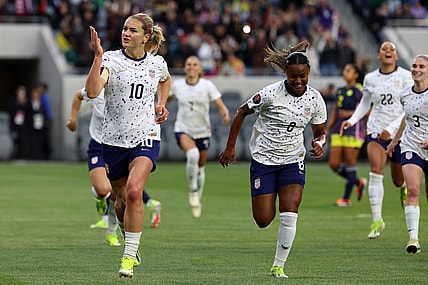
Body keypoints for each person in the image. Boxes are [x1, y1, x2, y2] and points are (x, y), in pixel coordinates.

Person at [218, 41, 327, 278]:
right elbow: (241, 112)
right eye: (293, 77)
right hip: (264, 161)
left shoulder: (315, 99)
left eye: (303, 77)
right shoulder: (269, 94)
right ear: (286, 74)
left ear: (309, 74)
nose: (298, 81)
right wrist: (230, 147)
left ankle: (279, 266)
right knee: (263, 220)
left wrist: (319, 144)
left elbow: (320, 133)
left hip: (292, 161)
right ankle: (267, 216)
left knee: (290, 211)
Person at [85, 12, 170, 279]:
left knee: (135, 192)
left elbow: (165, 79)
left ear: (146, 37)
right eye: (124, 28)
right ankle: (125, 230)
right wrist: (97, 56)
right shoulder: (111, 59)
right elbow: (92, 92)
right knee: (120, 198)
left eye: (133, 30)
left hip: (146, 136)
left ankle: (129, 256)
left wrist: (161, 103)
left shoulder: (156, 63)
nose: (126, 33)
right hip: (112, 141)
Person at [66, 88, 163, 247]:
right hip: (99, 146)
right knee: (104, 190)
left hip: (122, 147)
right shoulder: (96, 89)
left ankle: (111, 232)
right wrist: (73, 119)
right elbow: (78, 96)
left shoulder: (125, 90)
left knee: (119, 194)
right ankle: (99, 197)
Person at [340, 41, 413, 239]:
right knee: (375, 171)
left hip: (399, 133)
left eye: (392, 49)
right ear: (379, 55)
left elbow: (409, 107)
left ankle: (403, 188)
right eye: (384, 49)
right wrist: (352, 120)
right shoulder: (371, 78)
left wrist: (391, 130)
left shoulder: (406, 76)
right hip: (375, 131)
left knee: (398, 179)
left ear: (396, 56)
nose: (388, 51)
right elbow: (365, 103)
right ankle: (376, 220)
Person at [168, 55, 230, 218]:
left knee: (201, 167)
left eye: (195, 64)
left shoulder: (207, 85)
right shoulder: (178, 85)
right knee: (193, 154)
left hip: (203, 131)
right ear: (185, 67)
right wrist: (158, 107)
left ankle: (198, 197)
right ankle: (193, 190)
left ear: (200, 68)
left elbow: (219, 103)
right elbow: (166, 99)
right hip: (183, 129)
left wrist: (224, 113)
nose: (191, 67)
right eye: (188, 64)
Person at [386, 54, 428, 254]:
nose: (416, 69)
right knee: (412, 190)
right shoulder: (405, 94)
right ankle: (413, 238)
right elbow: (407, 117)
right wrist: (396, 140)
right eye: (414, 65)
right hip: (412, 146)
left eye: (421, 66)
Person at [326, 63, 367, 206]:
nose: (345, 72)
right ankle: (358, 182)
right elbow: (335, 111)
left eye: (349, 70)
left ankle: (346, 199)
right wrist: (327, 127)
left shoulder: (360, 90)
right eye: (344, 70)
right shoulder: (340, 90)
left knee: (350, 163)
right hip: (338, 129)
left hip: (354, 129)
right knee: (334, 164)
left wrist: (350, 115)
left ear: (356, 74)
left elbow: (366, 110)